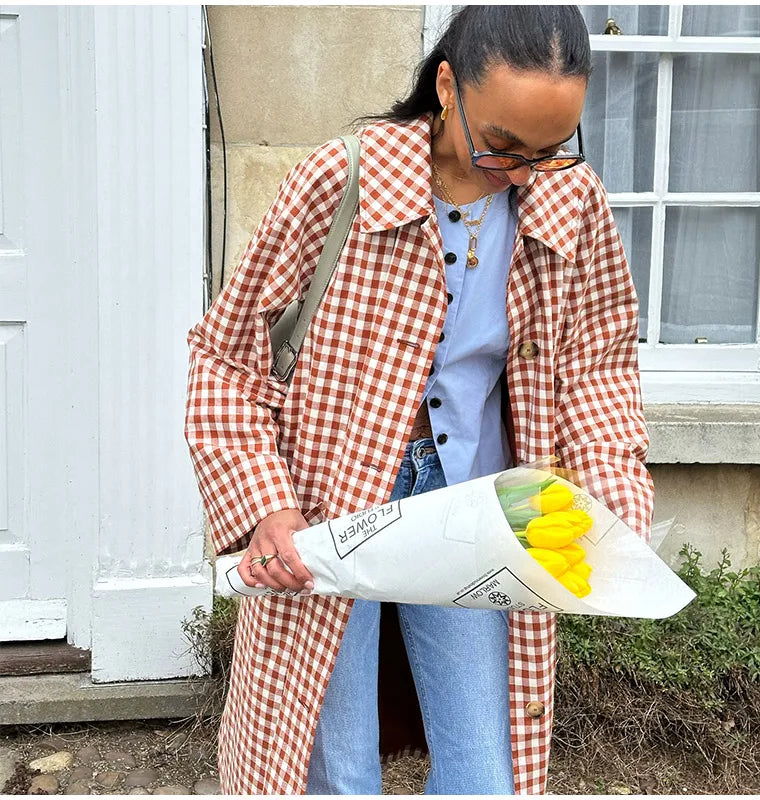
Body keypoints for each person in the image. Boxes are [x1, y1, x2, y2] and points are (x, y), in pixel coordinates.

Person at [184, 5, 654, 795]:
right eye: (501, 144)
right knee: (333, 767)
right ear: (447, 86)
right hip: (329, 511)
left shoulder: (572, 201)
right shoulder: (344, 179)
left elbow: (598, 367)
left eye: (550, 150)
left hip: (475, 509)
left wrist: (611, 512)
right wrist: (266, 507)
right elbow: (227, 354)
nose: (522, 173)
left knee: (487, 766)